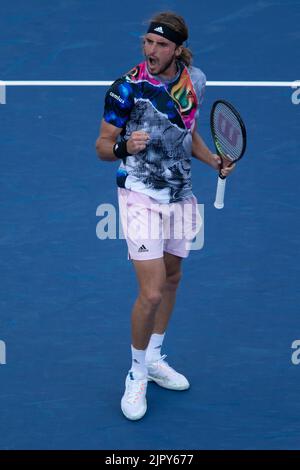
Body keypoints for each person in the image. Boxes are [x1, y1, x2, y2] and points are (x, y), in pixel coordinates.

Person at [96, 11, 235, 421]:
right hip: (139, 196)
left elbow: (186, 131)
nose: (150, 51)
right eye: (147, 43)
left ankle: (154, 358)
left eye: (160, 45)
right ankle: (136, 373)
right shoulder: (126, 89)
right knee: (152, 291)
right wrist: (126, 147)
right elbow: (102, 146)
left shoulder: (196, 82)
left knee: (173, 278)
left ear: (178, 49)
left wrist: (214, 161)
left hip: (181, 195)